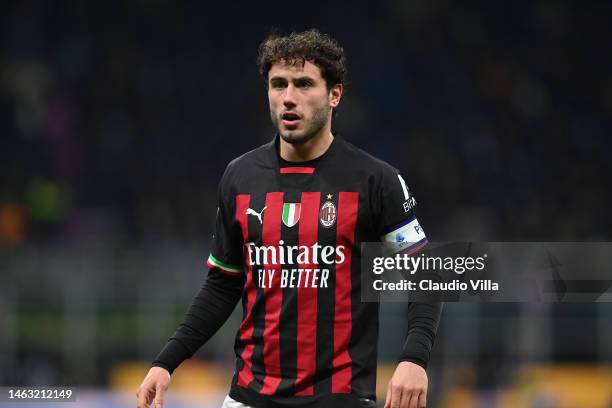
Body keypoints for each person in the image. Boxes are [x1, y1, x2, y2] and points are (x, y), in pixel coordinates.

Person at [136, 29, 442, 408]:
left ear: (335, 94)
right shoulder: (240, 177)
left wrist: (414, 359)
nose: (289, 98)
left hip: (338, 399)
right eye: (278, 84)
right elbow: (222, 285)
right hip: (249, 398)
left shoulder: (375, 180)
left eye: (303, 84)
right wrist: (167, 361)